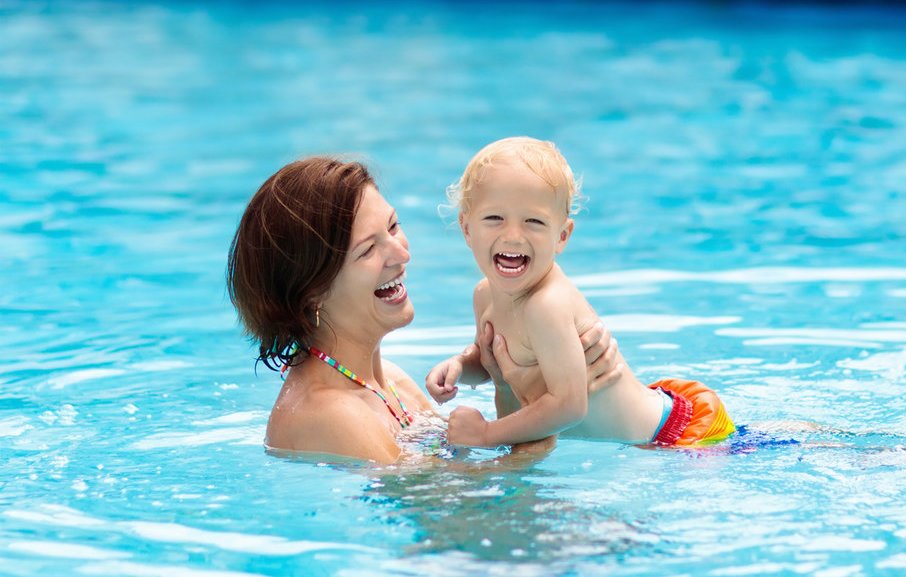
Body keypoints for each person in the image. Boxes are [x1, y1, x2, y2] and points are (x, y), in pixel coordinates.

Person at [226, 156, 623, 464]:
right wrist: (548, 417)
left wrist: (526, 374)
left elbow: (463, 473)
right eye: (368, 250)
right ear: (311, 293)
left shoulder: (390, 382)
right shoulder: (328, 415)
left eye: (394, 226)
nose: (401, 253)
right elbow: (454, 515)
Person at [426, 137, 737, 448]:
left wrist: (487, 435)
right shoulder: (484, 295)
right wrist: (460, 367)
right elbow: (497, 359)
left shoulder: (546, 305)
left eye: (533, 221)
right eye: (494, 218)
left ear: (562, 236)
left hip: (676, 436)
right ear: (466, 229)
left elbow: (570, 406)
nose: (513, 235)